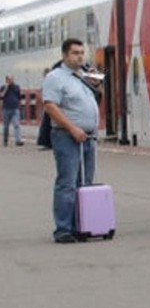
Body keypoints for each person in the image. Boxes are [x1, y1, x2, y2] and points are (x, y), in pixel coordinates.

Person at [41, 39, 99, 243]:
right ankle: (63, 229)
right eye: (75, 53)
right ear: (65, 55)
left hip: (89, 138)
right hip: (67, 136)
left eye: (82, 52)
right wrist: (73, 128)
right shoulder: (55, 77)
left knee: (84, 183)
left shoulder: (82, 77)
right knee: (67, 182)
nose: (80, 56)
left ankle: (82, 225)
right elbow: (50, 106)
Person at [2, 75, 22, 146]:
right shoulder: (3, 87)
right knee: (6, 126)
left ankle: (18, 140)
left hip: (15, 108)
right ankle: (5, 140)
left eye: (12, 79)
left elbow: (19, 97)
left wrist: (19, 105)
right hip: (6, 109)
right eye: (10, 79)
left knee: (16, 124)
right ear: (7, 80)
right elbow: (1, 96)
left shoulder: (17, 87)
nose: (12, 80)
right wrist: (6, 88)